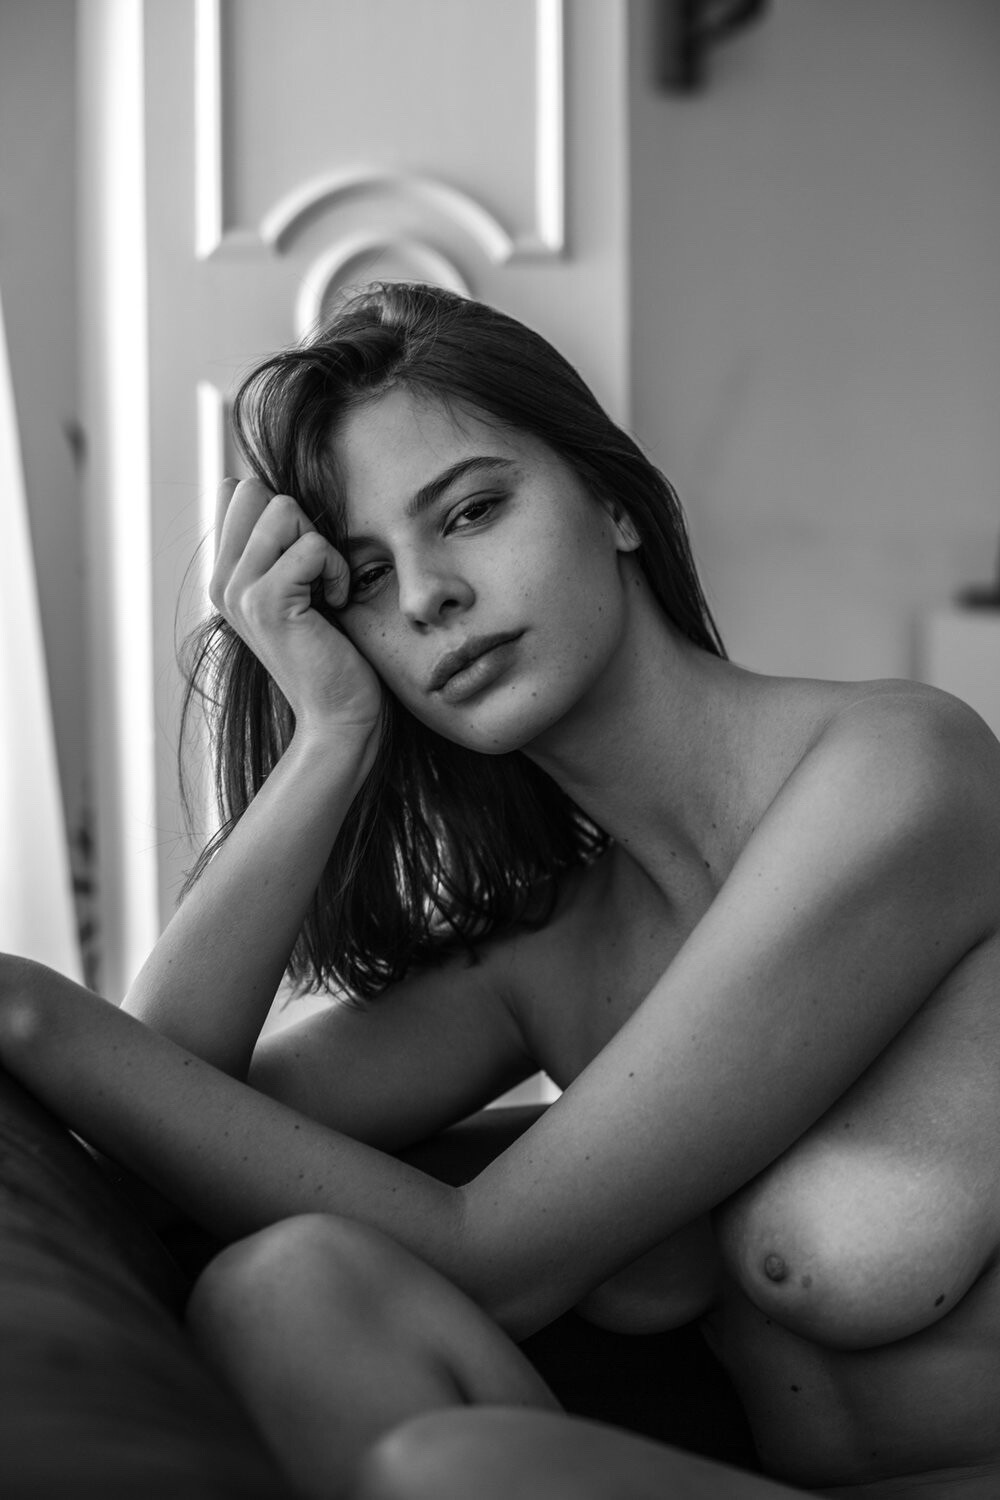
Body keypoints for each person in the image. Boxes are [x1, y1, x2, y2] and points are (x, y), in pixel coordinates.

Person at [2, 281, 1000, 1500]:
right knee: (286, 1288)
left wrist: (26, 1008)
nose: (427, 595)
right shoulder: (556, 945)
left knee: (454, 1468)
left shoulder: (904, 772)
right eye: (365, 578)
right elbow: (161, 1112)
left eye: (472, 511)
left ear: (614, 504)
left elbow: (496, 1261)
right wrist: (328, 739)